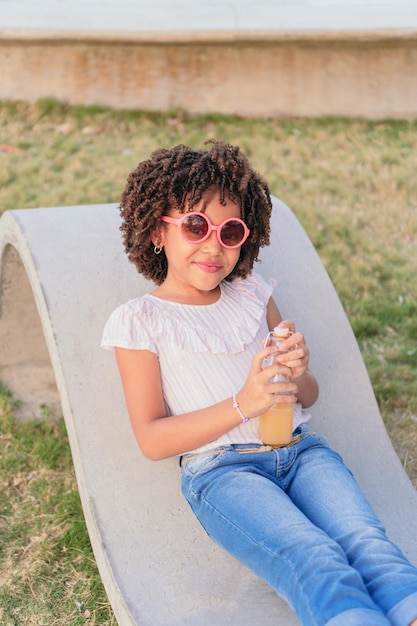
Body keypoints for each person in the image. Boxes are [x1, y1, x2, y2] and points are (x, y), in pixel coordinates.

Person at [101, 140, 417, 626]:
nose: (213, 246)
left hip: (302, 449)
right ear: (156, 232)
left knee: (368, 543)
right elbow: (151, 438)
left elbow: (305, 395)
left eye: (230, 231)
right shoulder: (142, 320)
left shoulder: (252, 294)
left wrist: (298, 371)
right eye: (195, 226)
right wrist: (243, 403)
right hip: (224, 473)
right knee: (312, 556)